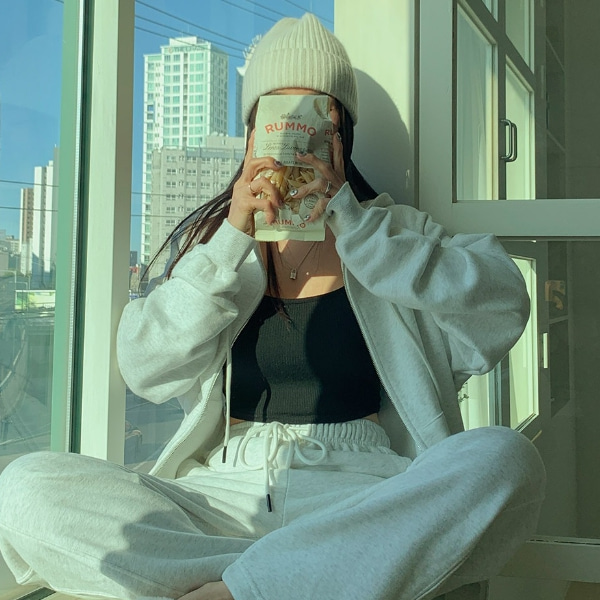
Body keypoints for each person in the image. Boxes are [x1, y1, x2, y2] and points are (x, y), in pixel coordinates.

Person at [0, 13, 545, 600]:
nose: (292, 139)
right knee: (25, 488)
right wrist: (231, 238)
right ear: (251, 134)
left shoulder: (393, 233)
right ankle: (288, 577)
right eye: (275, 119)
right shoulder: (219, 248)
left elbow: (502, 310)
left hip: (362, 494)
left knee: (505, 459)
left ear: (341, 135)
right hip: (224, 494)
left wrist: (356, 226)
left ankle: (235, 585)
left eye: (312, 118)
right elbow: (145, 368)